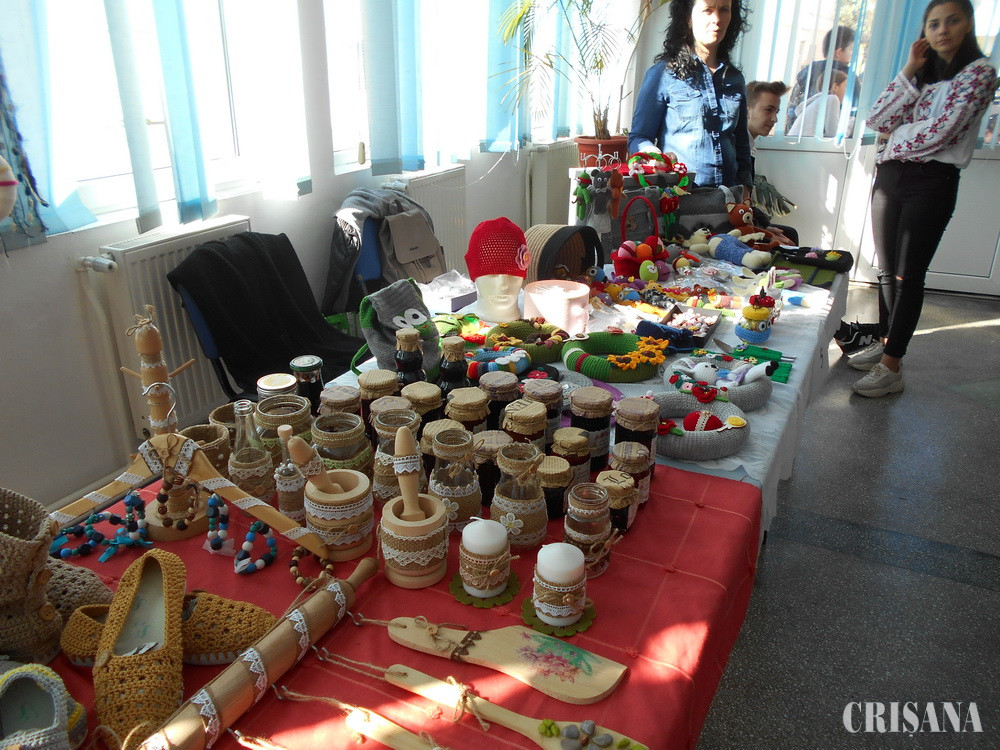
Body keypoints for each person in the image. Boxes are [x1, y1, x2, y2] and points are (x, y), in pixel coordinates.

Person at [848, 0, 996, 398]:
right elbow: (877, 119)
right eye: (933, 24)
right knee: (885, 270)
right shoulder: (921, 77)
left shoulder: (980, 73)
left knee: (907, 276)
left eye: (952, 20)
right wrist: (910, 69)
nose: (942, 29)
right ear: (924, 33)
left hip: (931, 181)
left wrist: (895, 139)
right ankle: (884, 343)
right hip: (890, 176)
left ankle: (892, 365)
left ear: (968, 24)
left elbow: (945, 132)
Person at [628, 0, 752, 200]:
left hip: (729, 200)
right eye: (707, 10)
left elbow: (742, 144)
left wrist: (746, 189)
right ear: (687, 18)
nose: (717, 19)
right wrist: (653, 155)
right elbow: (639, 137)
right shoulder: (663, 74)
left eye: (724, 10)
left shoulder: (735, 79)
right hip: (682, 198)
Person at [745, 80, 798, 245]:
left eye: (776, 112)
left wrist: (765, 226)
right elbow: (733, 205)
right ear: (747, 110)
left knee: (789, 235)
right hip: (730, 227)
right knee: (788, 239)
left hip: (744, 218)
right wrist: (763, 233)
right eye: (768, 110)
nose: (774, 119)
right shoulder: (734, 147)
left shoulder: (748, 145)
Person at [786, 25, 855, 134]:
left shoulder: (807, 72)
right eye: (851, 49)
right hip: (822, 141)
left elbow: (792, 108)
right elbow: (834, 132)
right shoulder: (846, 77)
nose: (853, 54)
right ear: (839, 52)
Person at [787, 70, 848, 138]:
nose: (847, 92)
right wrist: (850, 126)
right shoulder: (832, 99)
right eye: (846, 87)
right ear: (835, 87)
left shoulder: (818, 100)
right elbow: (833, 134)